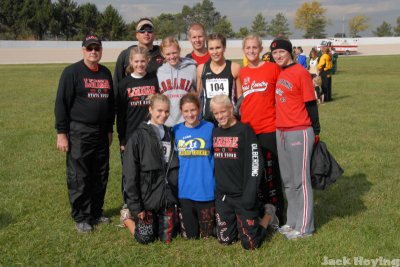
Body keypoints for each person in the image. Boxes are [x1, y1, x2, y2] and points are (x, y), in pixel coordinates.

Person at [55, 34, 114, 233]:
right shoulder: (72, 72)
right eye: (89, 48)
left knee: (100, 173)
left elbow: (110, 105)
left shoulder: (105, 73)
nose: (93, 52)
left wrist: (109, 129)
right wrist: (61, 133)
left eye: (96, 48)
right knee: (80, 175)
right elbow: (61, 104)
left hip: (100, 132)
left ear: (101, 50)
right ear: (83, 50)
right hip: (80, 131)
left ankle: (96, 212)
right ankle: (81, 216)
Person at [211, 95, 279, 250]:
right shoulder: (215, 132)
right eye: (216, 113)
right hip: (223, 197)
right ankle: (236, 222)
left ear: (231, 109)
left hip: (243, 196)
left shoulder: (245, 130)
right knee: (225, 240)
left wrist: (250, 193)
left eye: (223, 111)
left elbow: (256, 163)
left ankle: (268, 215)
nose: (220, 116)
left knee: (250, 244)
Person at [270, 38, 321, 240]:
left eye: (281, 52)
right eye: (275, 53)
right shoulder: (280, 72)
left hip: (299, 130)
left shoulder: (300, 72)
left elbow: (311, 104)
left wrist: (316, 131)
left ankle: (305, 227)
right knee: (289, 181)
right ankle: (292, 222)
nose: (278, 56)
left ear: (289, 52)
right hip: (281, 131)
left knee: (301, 181)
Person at [238, 34, 285, 224]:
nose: (251, 51)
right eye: (248, 48)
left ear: (260, 48)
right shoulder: (242, 73)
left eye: (254, 48)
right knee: (255, 173)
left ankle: (278, 214)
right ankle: (261, 211)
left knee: (272, 173)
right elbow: (242, 101)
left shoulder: (272, 68)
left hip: (268, 128)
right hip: (249, 130)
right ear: (244, 50)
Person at [122, 94, 179, 244]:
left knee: (167, 238)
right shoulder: (137, 137)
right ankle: (127, 216)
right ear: (150, 109)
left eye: (167, 111)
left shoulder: (170, 134)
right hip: (147, 198)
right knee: (145, 238)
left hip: (166, 196)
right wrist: (136, 206)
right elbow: (130, 174)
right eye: (159, 111)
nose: (163, 115)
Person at [116, 46, 159, 229]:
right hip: (131, 136)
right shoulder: (124, 84)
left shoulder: (154, 80)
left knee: (148, 172)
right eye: (136, 61)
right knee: (130, 174)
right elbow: (120, 115)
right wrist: (122, 140)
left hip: (150, 134)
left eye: (143, 61)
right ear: (131, 63)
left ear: (148, 62)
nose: (140, 64)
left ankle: (148, 206)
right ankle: (128, 209)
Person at [173, 93, 215, 239]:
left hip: (206, 190)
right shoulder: (176, 130)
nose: (190, 114)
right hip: (185, 190)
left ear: (199, 109)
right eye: (186, 111)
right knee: (191, 236)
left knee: (207, 235)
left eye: (193, 110)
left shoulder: (210, 127)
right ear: (180, 111)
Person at [197, 33, 241, 124]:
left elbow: (240, 98)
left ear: (224, 48)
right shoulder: (201, 69)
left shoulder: (235, 67)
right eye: (211, 48)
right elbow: (199, 96)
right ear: (207, 50)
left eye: (218, 48)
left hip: (229, 120)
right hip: (207, 121)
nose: (215, 52)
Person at [114, 18, 164, 97]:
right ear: (136, 35)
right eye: (142, 31)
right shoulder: (126, 54)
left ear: (154, 34)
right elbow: (117, 83)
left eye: (149, 30)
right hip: (133, 104)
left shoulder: (163, 53)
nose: (146, 33)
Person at [157, 36, 197, 127]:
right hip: (166, 122)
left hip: (187, 121)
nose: (172, 57)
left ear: (179, 50)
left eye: (174, 53)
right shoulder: (159, 71)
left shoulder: (192, 68)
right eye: (168, 54)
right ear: (163, 54)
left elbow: (198, 93)